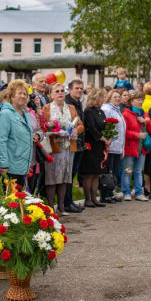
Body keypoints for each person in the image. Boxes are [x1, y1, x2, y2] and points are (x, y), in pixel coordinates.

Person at [41, 83, 84, 215]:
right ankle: (51, 207)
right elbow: (42, 126)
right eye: (57, 91)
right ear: (51, 95)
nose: (60, 93)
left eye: (62, 91)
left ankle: (61, 206)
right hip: (54, 147)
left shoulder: (70, 108)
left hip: (68, 147)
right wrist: (54, 131)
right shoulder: (46, 108)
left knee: (65, 177)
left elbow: (81, 125)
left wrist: (76, 130)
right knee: (52, 178)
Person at [0, 79, 33, 186]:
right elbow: (1, 140)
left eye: (25, 94)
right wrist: (3, 164)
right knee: (8, 200)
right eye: (19, 93)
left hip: (20, 166)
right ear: (12, 96)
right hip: (8, 168)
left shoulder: (25, 114)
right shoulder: (6, 114)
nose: (23, 96)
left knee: (19, 200)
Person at [79, 89, 111, 207]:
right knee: (89, 173)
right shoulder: (88, 111)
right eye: (101, 97)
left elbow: (105, 126)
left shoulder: (101, 112)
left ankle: (94, 198)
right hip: (91, 145)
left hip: (100, 146)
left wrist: (109, 137)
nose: (103, 100)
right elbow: (92, 128)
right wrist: (103, 138)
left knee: (97, 173)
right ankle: (87, 199)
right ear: (95, 98)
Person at [121, 92, 151, 201]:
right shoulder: (126, 114)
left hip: (142, 149)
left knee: (138, 171)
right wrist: (137, 135)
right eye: (137, 99)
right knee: (128, 171)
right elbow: (124, 132)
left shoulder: (145, 114)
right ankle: (126, 192)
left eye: (141, 99)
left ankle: (139, 192)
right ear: (131, 101)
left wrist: (146, 122)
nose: (140, 102)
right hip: (130, 147)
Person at [100, 89, 126, 203]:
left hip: (117, 147)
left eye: (118, 97)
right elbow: (105, 126)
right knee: (107, 172)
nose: (117, 99)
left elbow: (121, 130)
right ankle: (105, 194)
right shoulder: (107, 109)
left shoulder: (117, 110)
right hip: (110, 146)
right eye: (115, 97)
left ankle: (111, 193)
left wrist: (122, 148)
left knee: (113, 172)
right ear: (109, 98)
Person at [63, 79, 86, 213]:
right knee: (68, 174)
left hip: (79, 142)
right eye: (76, 88)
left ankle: (69, 200)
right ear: (70, 90)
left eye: (81, 88)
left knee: (73, 174)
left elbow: (81, 124)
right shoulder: (67, 103)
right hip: (69, 143)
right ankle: (66, 202)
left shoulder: (78, 103)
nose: (79, 90)